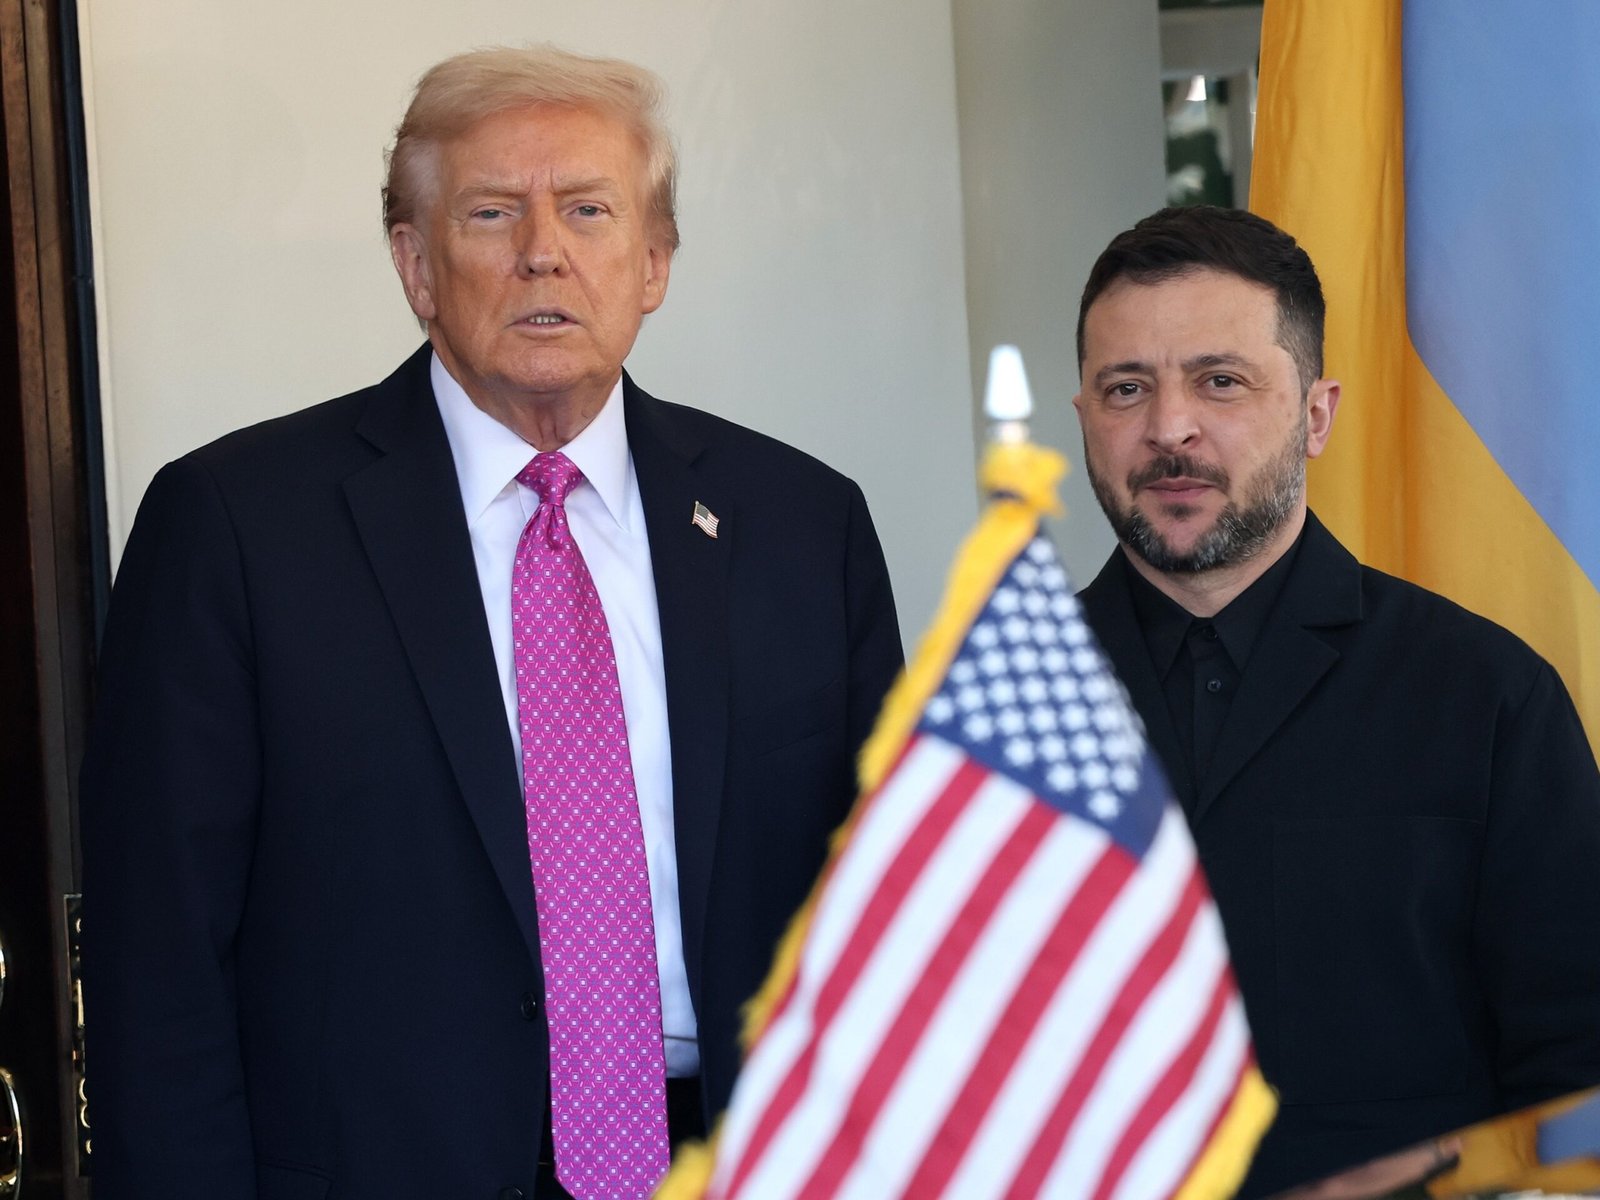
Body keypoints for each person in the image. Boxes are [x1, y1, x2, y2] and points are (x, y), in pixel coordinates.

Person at [78, 45, 902, 1200]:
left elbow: (888, 911)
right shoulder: (236, 526)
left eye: (588, 209)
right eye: (491, 212)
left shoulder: (804, 526)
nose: (543, 251)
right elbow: (157, 961)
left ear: (654, 262)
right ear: (416, 266)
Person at [1070, 205, 1600, 1198]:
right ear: (1084, 417)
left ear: (1317, 414)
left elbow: (1577, 1065)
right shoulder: (983, 709)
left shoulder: (1485, 696)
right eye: (1125, 388)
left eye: (1220, 381)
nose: (1169, 428)